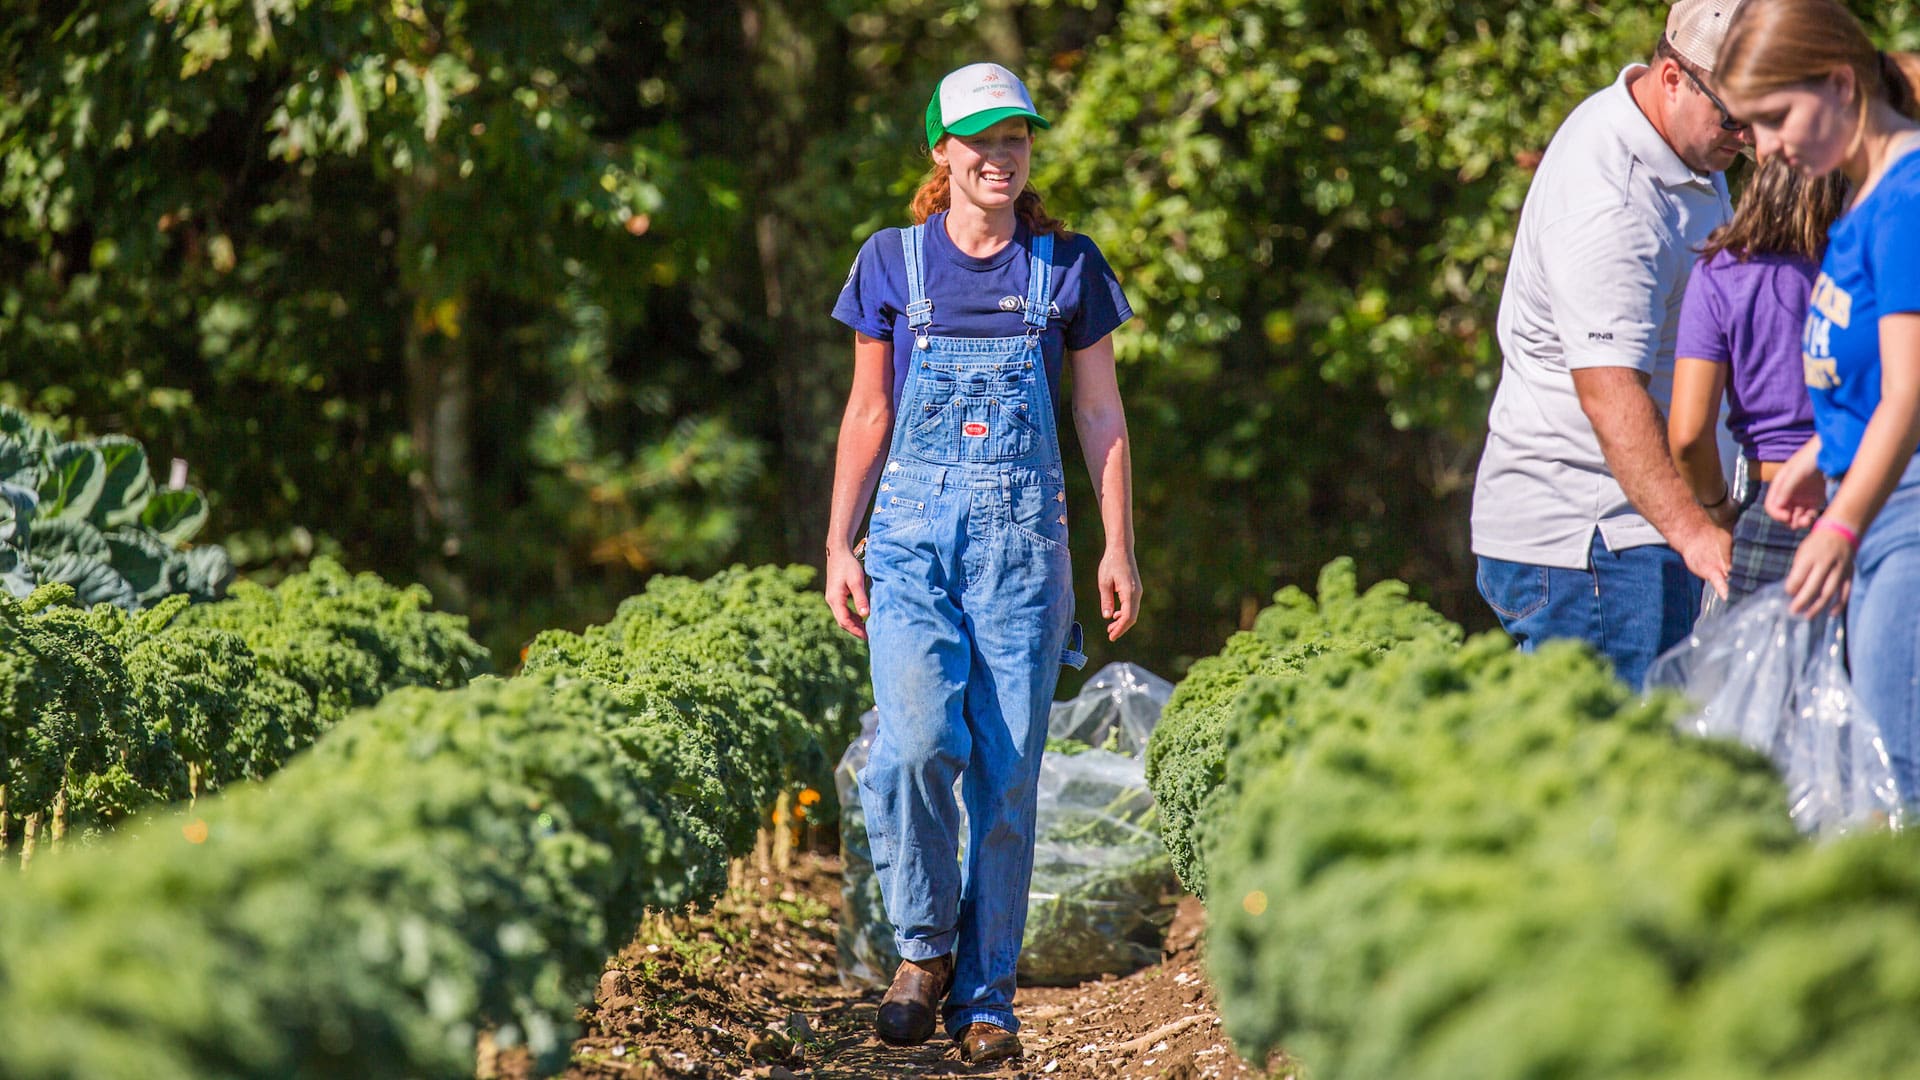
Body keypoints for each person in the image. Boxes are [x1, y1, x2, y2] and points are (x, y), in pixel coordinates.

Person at [821, 62, 1140, 1065]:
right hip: (910, 543)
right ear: (941, 152)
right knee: (914, 747)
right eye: (981, 138)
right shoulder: (892, 263)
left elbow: (1098, 412)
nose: (1000, 155)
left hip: (1025, 553)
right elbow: (870, 411)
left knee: (1007, 777)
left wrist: (1118, 542)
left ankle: (988, 994)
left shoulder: (1066, 265)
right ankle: (923, 946)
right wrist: (839, 540)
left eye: (1017, 138)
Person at [1471, 0, 1753, 690]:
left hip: (1632, 537)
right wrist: (1696, 532)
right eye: (1734, 117)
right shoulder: (1614, 201)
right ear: (1672, 77)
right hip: (1597, 546)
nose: (1746, 138)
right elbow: (1607, 392)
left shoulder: (1678, 141)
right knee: (1612, 786)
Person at [1715, 0, 1920, 794]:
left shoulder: (1905, 201)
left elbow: (1910, 391)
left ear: (1840, 83)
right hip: (1870, 502)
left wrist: (1840, 523)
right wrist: (1817, 454)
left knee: (1901, 778)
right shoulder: (1864, 200)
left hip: (1901, 517)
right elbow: (1876, 379)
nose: (1764, 149)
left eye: (1774, 118)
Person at [1668, 155, 1849, 604]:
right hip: (1875, 498)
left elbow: (1689, 434)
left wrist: (1718, 510)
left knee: (1764, 672)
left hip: (1772, 511)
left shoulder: (1720, 272)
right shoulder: (1866, 263)